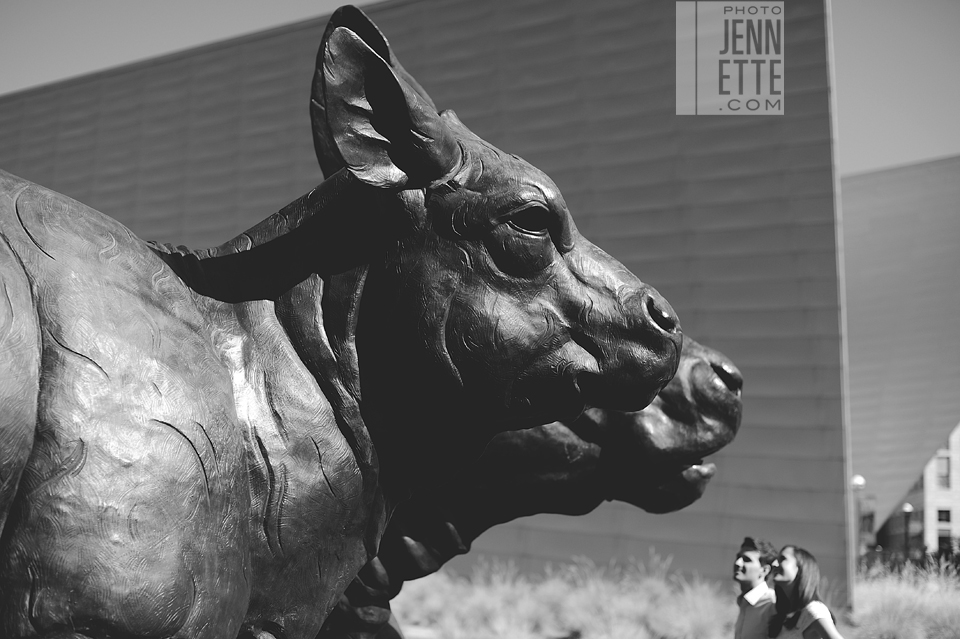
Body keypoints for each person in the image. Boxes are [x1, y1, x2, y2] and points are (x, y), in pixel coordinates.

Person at [768, 545, 846, 639]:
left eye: (782, 559)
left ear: (800, 568)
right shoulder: (782, 616)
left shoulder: (814, 610)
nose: (774, 564)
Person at [734, 536, 778, 639]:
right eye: (738, 557)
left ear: (764, 570)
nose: (737, 563)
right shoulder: (744, 603)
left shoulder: (772, 603)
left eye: (746, 560)